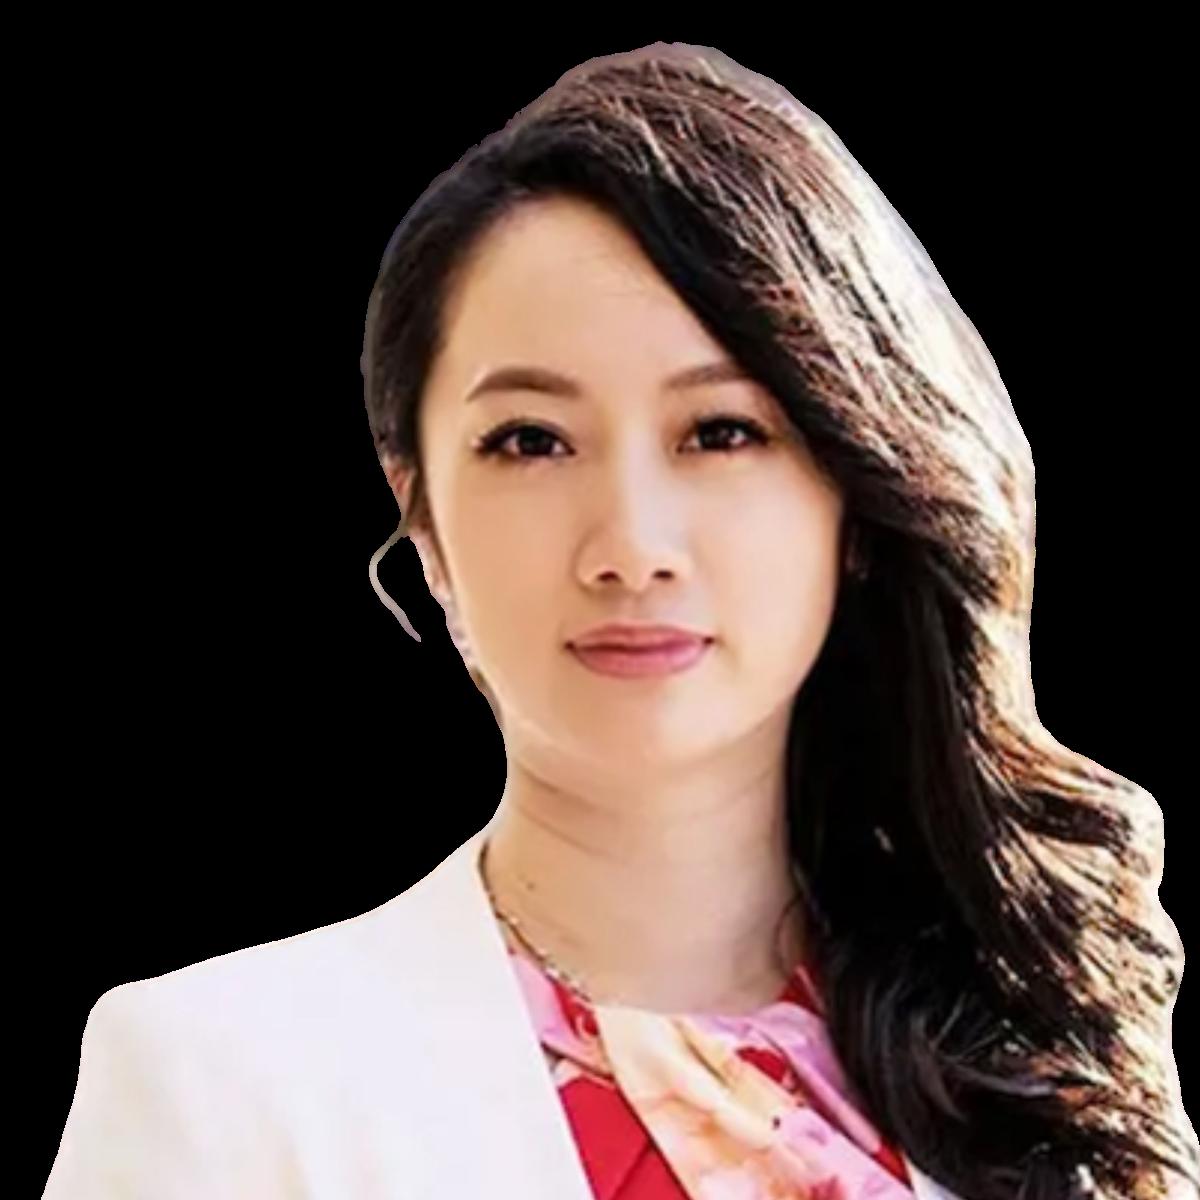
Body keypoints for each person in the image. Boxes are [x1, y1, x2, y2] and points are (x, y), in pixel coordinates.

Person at [46, 42, 1197, 1200]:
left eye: (721, 432)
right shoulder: (226, 1085)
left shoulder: (1036, 1069)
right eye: (531, 441)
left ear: (855, 491)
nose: (631, 546)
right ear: (423, 512)